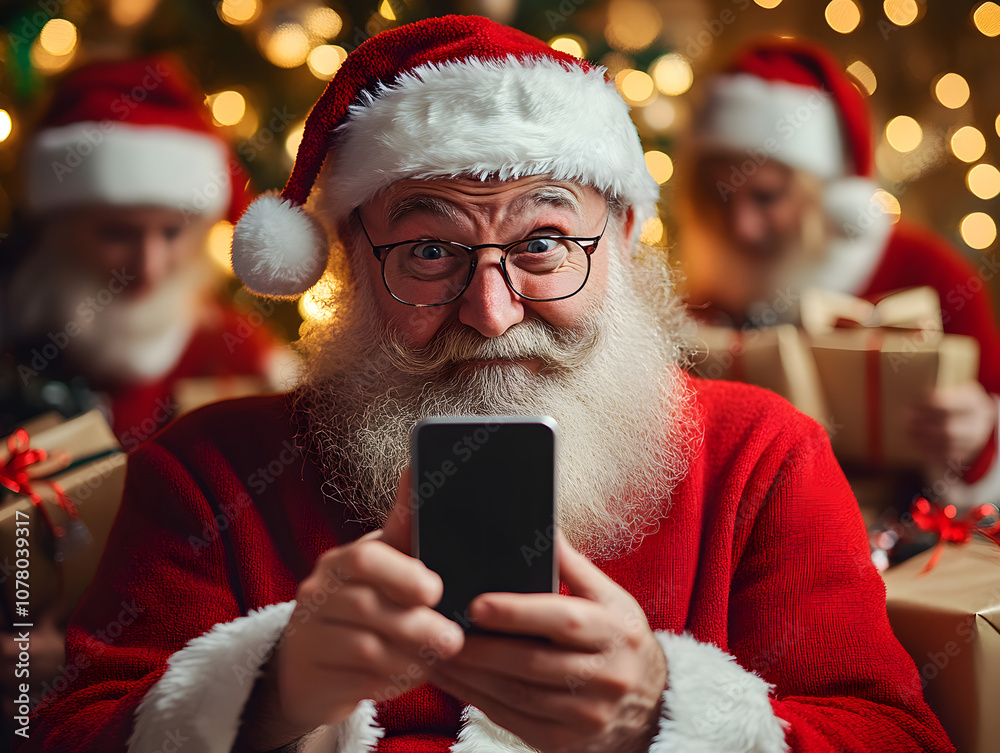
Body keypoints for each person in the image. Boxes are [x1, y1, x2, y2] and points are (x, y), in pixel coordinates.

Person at [19, 16, 952, 753]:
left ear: (622, 242)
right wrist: (270, 690)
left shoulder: (761, 456)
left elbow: (901, 739)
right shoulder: (210, 471)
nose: (493, 311)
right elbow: (59, 733)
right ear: (349, 259)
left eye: (543, 244)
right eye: (430, 250)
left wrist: (664, 718)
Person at [677, 37, 1000, 514]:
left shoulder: (930, 273)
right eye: (721, 197)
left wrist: (979, 436)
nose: (742, 228)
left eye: (766, 197)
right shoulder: (706, 295)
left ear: (822, 196)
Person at [0, 54, 294, 444]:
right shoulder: (15, 352)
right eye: (117, 235)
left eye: (171, 233)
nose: (148, 266)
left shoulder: (238, 357)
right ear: (61, 233)